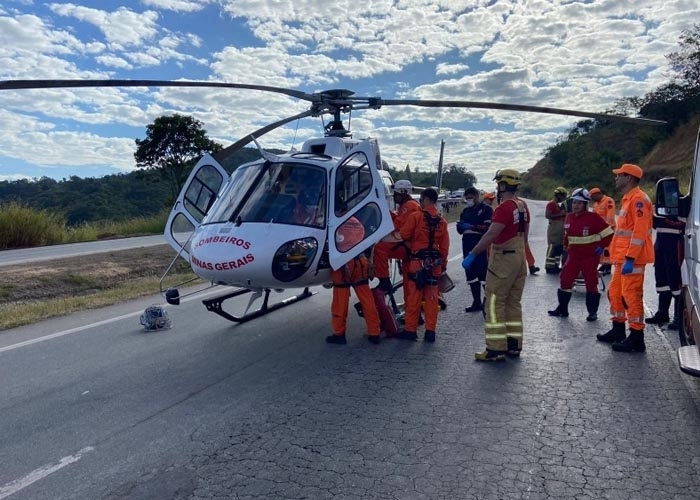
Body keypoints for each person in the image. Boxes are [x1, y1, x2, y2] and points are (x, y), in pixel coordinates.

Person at [463, 169, 530, 361]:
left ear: (503, 185)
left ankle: (495, 348)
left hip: (504, 258)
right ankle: (513, 344)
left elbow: (491, 234)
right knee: (512, 302)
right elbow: (524, 234)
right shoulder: (522, 206)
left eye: (499, 184)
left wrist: (473, 254)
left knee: (493, 302)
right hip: (519, 256)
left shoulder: (504, 208)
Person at [596, 164, 654, 352]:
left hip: (632, 259)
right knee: (615, 293)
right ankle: (618, 330)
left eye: (619, 175)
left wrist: (630, 258)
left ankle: (637, 338)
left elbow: (639, 233)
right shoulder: (629, 198)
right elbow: (622, 232)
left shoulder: (638, 200)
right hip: (622, 258)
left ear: (629, 178)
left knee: (631, 296)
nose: (616, 178)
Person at [547, 188, 614, 321]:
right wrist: (566, 247)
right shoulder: (569, 217)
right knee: (565, 280)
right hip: (573, 256)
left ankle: (592, 312)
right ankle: (562, 309)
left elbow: (609, 233)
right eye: (574, 203)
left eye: (579, 203)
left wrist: (601, 246)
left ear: (585, 205)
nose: (575, 205)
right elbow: (567, 236)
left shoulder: (594, 218)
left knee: (591, 283)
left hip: (590, 257)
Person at [396, 188, 449, 343]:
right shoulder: (442, 222)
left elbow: (404, 234)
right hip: (434, 264)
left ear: (425, 199)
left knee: (414, 297)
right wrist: (443, 265)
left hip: (417, 262)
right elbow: (444, 247)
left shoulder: (416, 217)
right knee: (432, 298)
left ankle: (410, 330)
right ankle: (430, 331)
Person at [327, 202, 382, 345]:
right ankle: (374, 332)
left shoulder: (336, 224)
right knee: (367, 299)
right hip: (360, 262)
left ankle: (339, 334)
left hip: (343, 264)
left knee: (340, 301)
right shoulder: (357, 223)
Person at [372, 179, 421, 292]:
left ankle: (384, 280)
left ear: (403, 192)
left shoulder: (409, 206)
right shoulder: (409, 205)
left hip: (407, 245)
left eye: (396, 194)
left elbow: (398, 227)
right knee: (408, 281)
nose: (394, 196)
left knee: (380, 248)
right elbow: (399, 220)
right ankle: (410, 307)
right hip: (409, 246)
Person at [645, 211, 685, 328]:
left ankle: (679, 317)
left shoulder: (681, 204)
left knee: (676, 281)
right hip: (661, 247)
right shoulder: (660, 207)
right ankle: (662, 313)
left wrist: (669, 217)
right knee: (662, 281)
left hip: (675, 247)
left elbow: (684, 223)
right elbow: (654, 224)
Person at [457, 187, 492, 312]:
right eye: (467, 198)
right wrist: (460, 226)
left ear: (477, 197)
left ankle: (488, 303)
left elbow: (488, 228)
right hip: (467, 244)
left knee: (483, 275)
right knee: (471, 275)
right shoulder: (465, 211)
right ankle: (476, 302)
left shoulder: (486, 210)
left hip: (481, 245)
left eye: (471, 198)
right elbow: (460, 230)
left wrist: (473, 226)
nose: (469, 200)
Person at [589, 187, 616, 275]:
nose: (592, 199)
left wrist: (607, 228)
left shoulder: (608, 201)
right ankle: (604, 264)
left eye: (593, 197)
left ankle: (608, 265)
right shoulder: (596, 204)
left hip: (608, 229)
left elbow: (610, 217)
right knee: (601, 248)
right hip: (599, 230)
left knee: (607, 248)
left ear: (597, 194)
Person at [545, 187, 568, 273]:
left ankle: (555, 266)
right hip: (554, 228)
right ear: (559, 195)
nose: (563, 199)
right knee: (553, 247)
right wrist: (560, 214)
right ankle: (549, 266)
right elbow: (548, 215)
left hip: (558, 229)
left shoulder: (556, 204)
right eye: (563, 196)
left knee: (559, 247)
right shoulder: (551, 204)